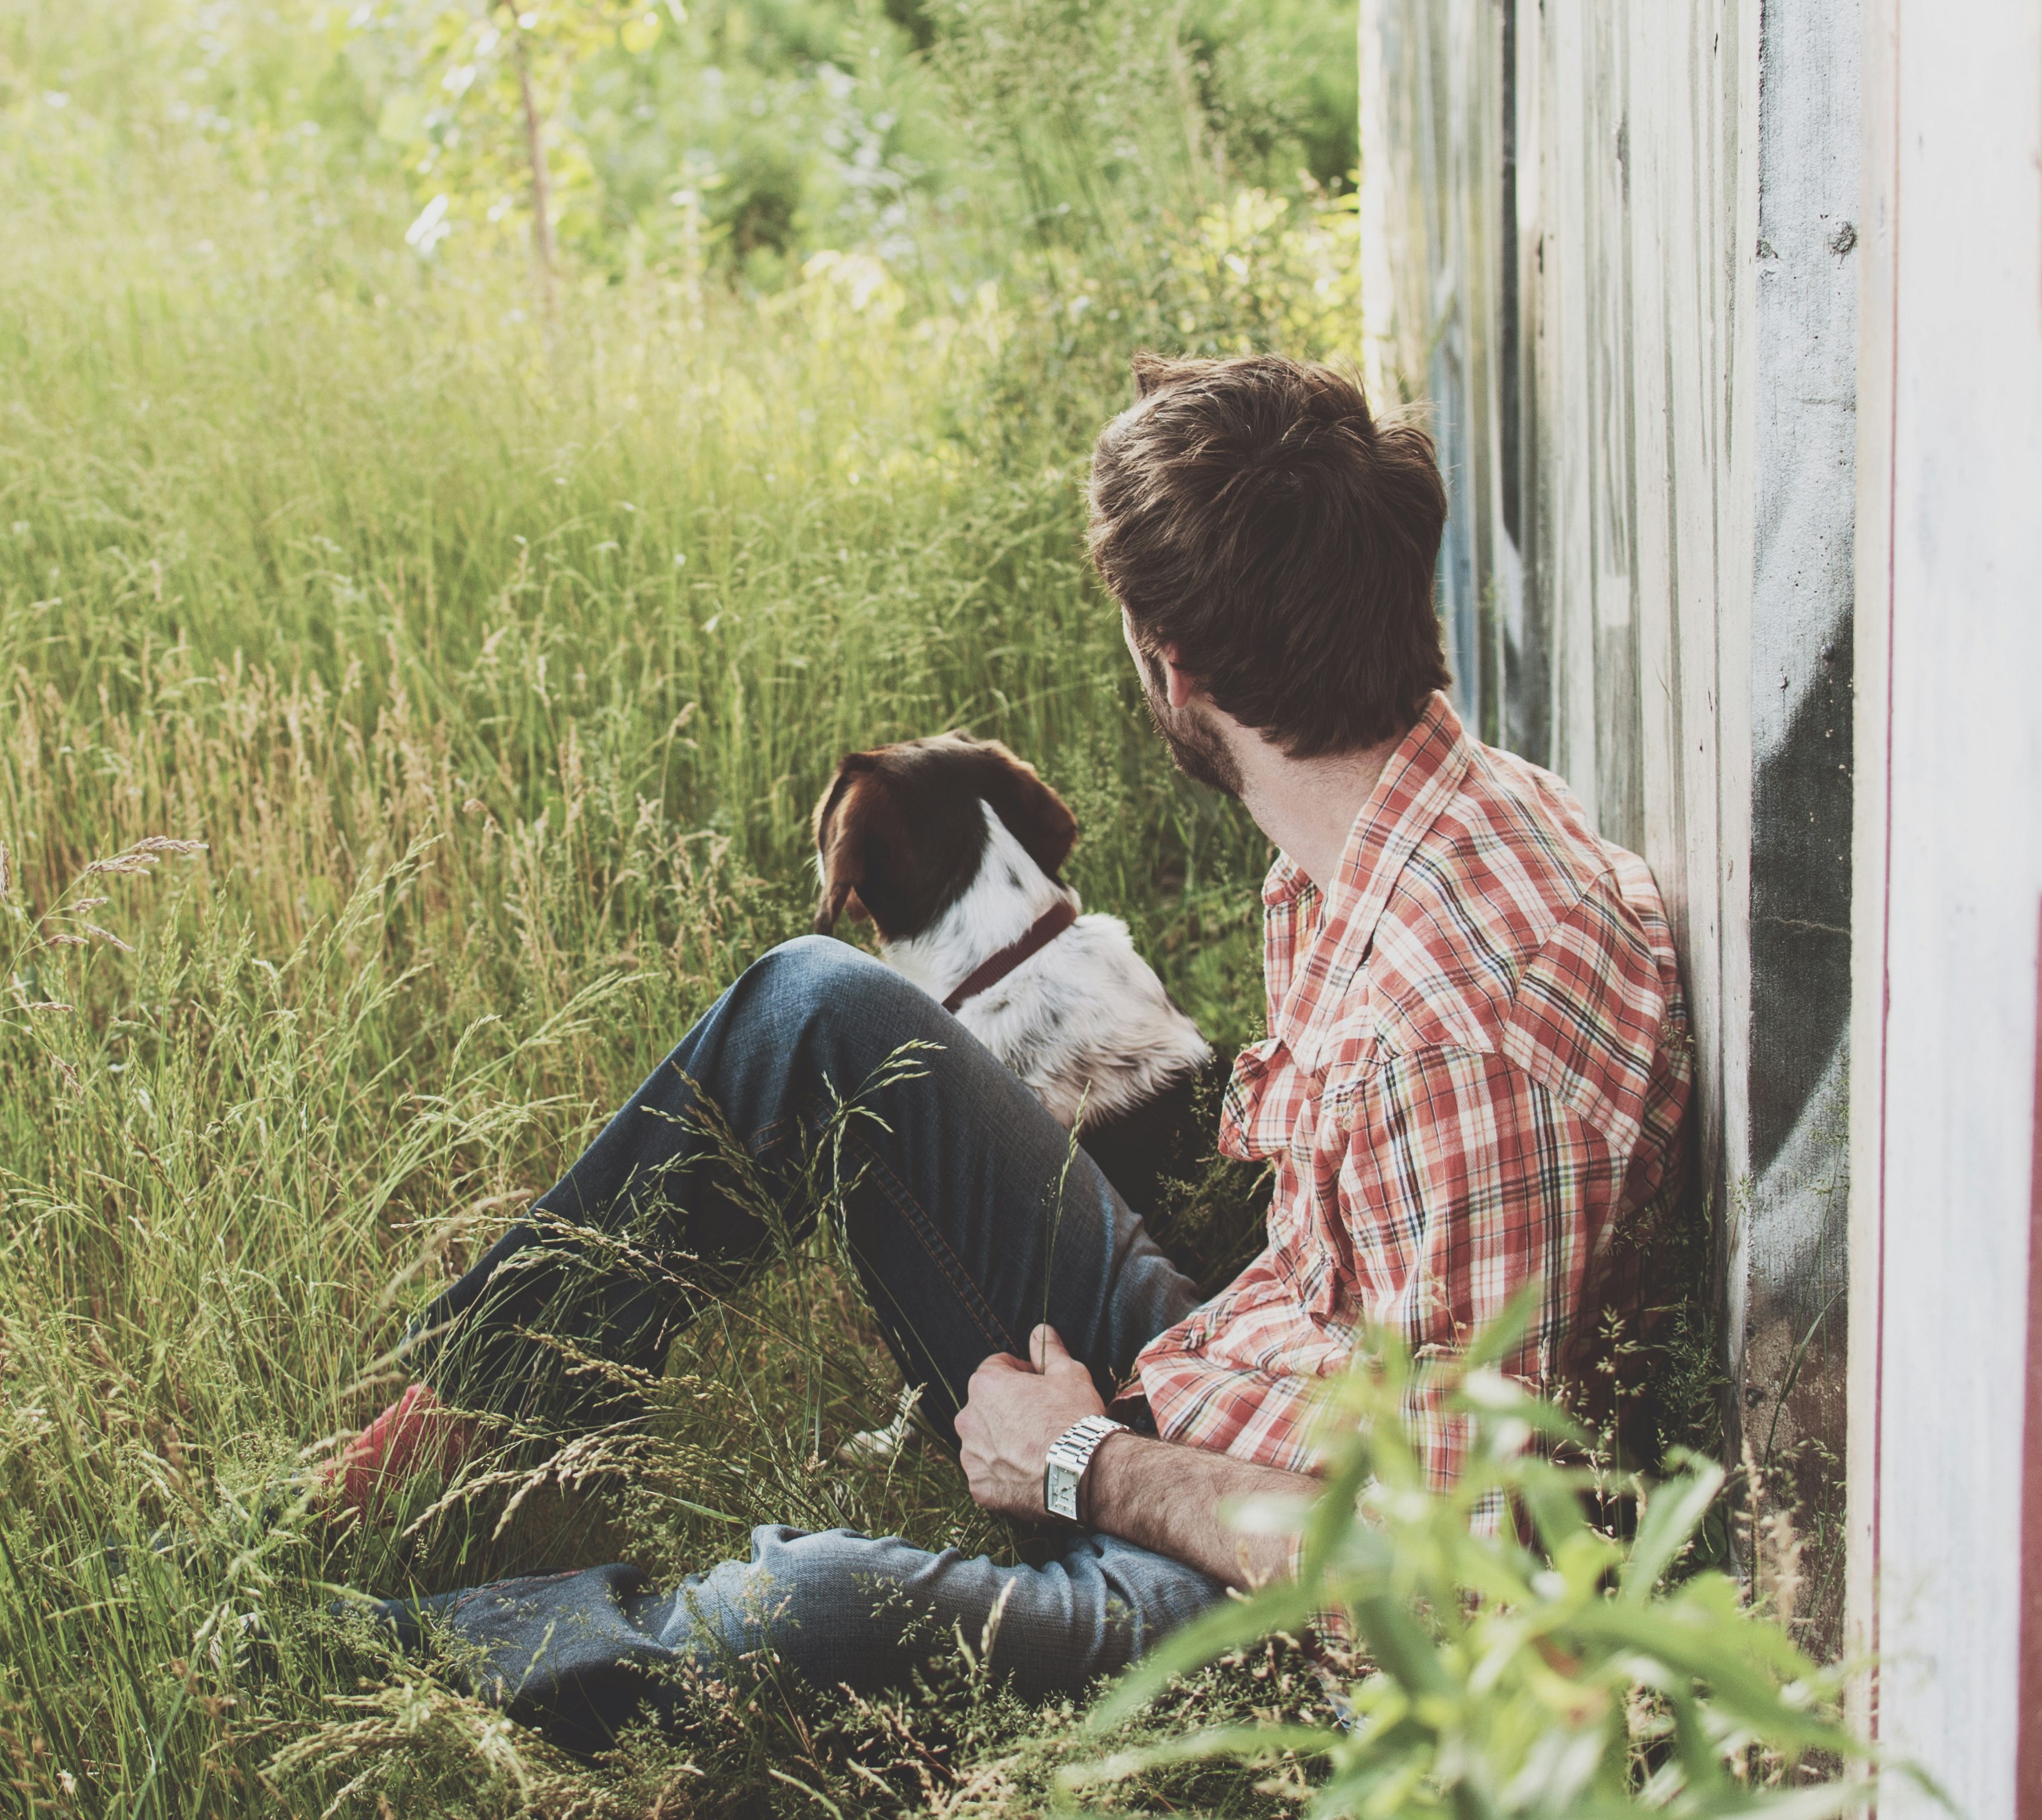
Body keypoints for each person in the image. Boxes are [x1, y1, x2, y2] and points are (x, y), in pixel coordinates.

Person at [329, 354, 1692, 1750]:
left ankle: (353, 1654)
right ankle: (443, 1437)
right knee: (815, 1003)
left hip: (1281, 1605)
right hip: (1256, 1398)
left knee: (785, 1608)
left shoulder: (1446, 1028)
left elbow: (1442, 1584)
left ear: (1176, 669)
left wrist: (1083, 1463)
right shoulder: (1408, 830)